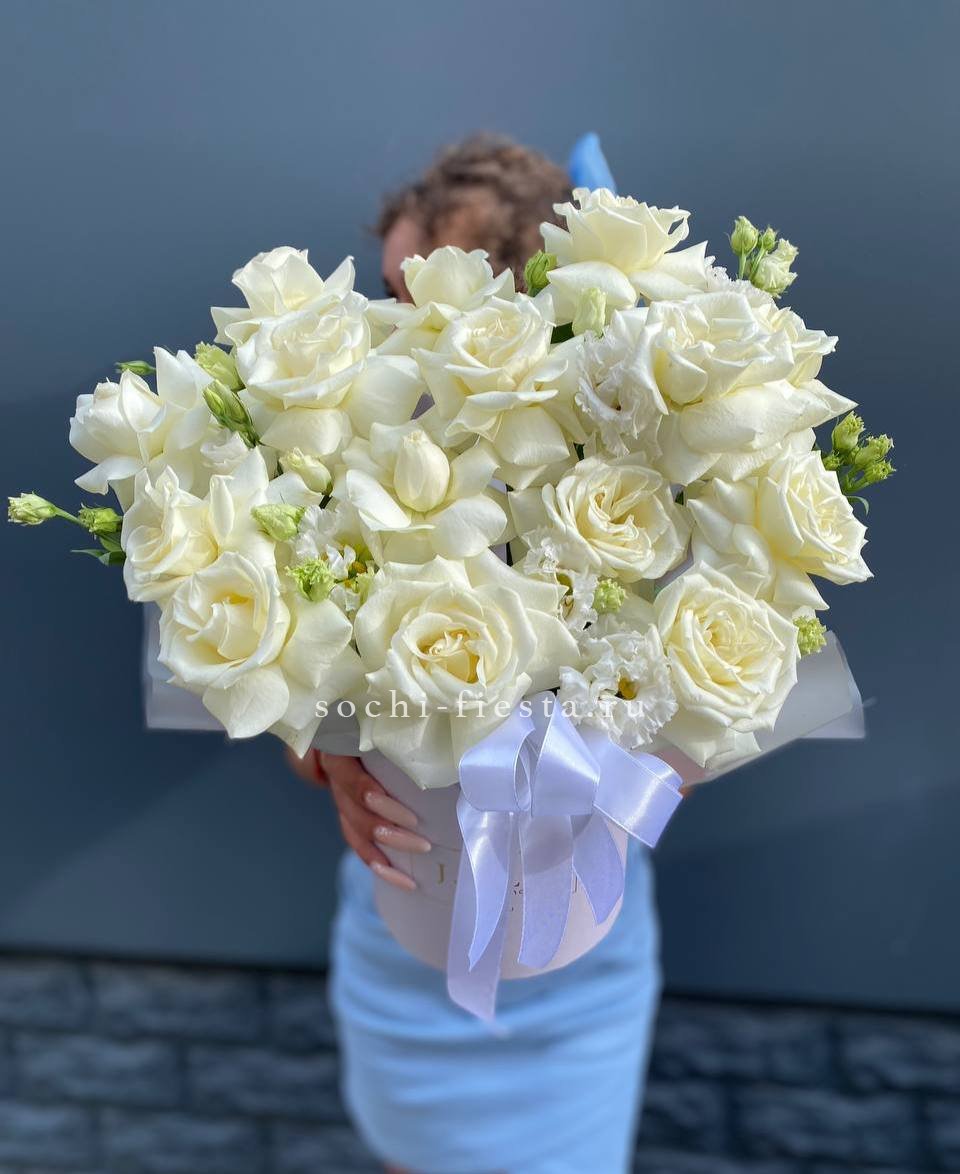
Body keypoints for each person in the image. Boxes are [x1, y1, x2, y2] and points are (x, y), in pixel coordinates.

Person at [287, 134, 662, 1174]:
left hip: (575, 956)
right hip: (404, 925)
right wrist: (330, 759)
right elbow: (291, 694)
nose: (392, 324)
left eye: (421, 296)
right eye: (386, 290)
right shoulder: (338, 461)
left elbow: (704, 705)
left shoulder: (624, 471)